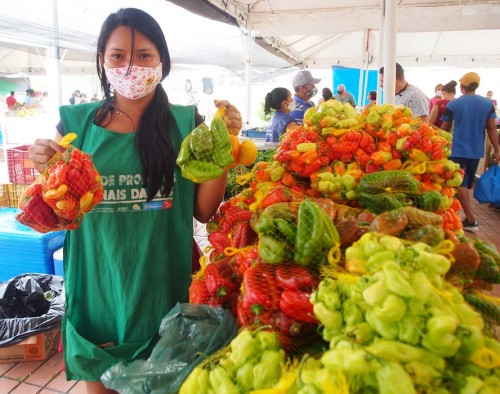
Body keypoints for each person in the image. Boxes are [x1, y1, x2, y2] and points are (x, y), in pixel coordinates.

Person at [28, 8, 241, 393]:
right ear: (101, 60)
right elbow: (56, 212)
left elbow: (203, 210)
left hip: (162, 287)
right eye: (117, 56)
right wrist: (43, 165)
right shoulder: (74, 125)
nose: (130, 67)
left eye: (143, 55)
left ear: (162, 62)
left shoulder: (186, 123)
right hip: (98, 287)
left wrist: (223, 144)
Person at [440, 72, 499, 232]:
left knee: (459, 184)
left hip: (456, 150)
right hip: (476, 151)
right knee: (465, 184)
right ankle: (457, 216)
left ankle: (471, 220)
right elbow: (492, 128)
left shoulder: (453, 104)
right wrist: (497, 149)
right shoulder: (487, 104)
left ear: (461, 87)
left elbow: (444, 129)